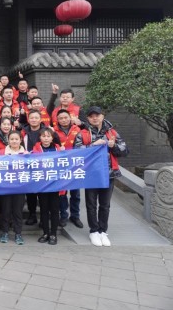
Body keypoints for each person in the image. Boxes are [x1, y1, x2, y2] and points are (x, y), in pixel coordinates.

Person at [75, 106, 128, 247]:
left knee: (105, 205)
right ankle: (93, 231)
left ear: (102, 116)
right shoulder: (82, 133)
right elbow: (76, 152)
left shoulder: (112, 133)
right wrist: (93, 145)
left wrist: (113, 146)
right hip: (91, 174)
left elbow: (124, 150)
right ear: (87, 118)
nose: (94, 118)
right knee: (91, 204)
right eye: (91, 116)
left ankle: (103, 231)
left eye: (97, 115)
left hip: (108, 174)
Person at [32, 128, 63, 245]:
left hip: (55, 185)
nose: (46, 138)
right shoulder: (35, 150)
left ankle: (53, 234)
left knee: (54, 210)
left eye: (48, 136)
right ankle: (45, 233)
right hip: (42, 185)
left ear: (52, 138)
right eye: (43, 136)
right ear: (40, 137)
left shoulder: (58, 149)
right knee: (44, 209)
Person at [54, 109, 83, 228]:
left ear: (70, 118)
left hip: (75, 165)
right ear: (57, 120)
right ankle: (63, 215)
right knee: (62, 193)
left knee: (75, 193)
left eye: (65, 117)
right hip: (61, 166)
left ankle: (75, 216)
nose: (64, 120)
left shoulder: (78, 129)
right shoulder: (53, 131)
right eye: (61, 118)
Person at [0, 130, 27, 245]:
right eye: (12, 139)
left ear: (20, 140)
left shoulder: (26, 154)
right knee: (5, 210)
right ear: (8, 140)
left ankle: (18, 233)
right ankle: (4, 232)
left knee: (18, 211)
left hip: (20, 187)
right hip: (5, 186)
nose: (14, 141)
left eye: (16, 139)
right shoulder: (2, 152)